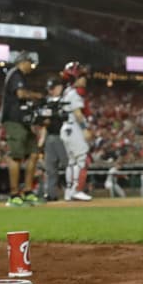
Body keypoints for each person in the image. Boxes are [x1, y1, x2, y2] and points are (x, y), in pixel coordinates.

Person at [0, 51, 42, 206]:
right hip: (14, 120)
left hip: (24, 121)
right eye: (29, 63)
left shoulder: (21, 76)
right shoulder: (15, 74)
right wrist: (36, 95)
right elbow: (21, 94)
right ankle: (14, 194)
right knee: (16, 156)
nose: (31, 66)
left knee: (34, 154)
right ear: (22, 62)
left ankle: (28, 191)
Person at [58, 62, 93, 202]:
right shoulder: (73, 94)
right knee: (82, 159)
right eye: (81, 76)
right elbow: (78, 113)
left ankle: (69, 191)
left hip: (66, 128)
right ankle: (77, 190)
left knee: (72, 162)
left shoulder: (66, 92)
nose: (84, 80)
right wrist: (85, 129)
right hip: (74, 128)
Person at [33, 77, 70, 201]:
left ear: (59, 87)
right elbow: (40, 120)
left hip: (64, 137)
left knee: (68, 165)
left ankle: (72, 191)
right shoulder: (46, 102)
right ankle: (51, 193)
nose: (51, 90)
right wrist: (42, 139)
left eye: (53, 87)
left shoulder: (66, 101)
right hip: (50, 136)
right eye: (50, 88)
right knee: (50, 168)